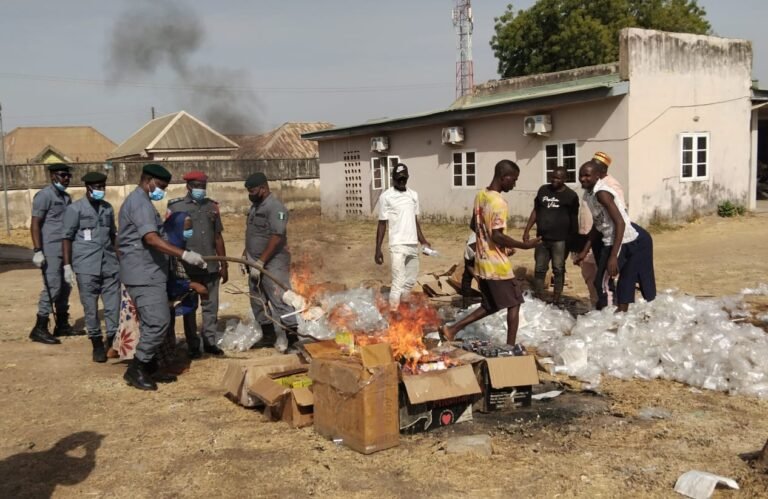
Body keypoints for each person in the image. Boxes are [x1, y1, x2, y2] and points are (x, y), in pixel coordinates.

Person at [117, 163, 207, 391]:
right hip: (143, 273)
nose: (162, 191)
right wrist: (184, 254)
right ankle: (136, 368)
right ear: (148, 181)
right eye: (161, 186)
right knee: (158, 322)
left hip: (150, 272)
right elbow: (151, 239)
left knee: (153, 323)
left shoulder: (144, 202)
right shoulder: (139, 204)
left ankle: (149, 367)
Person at [441, 160, 540, 345]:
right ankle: (510, 347)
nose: (515, 184)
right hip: (496, 265)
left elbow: (475, 225)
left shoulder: (481, 195)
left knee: (491, 304)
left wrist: (496, 243)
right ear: (504, 177)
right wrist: (523, 245)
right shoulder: (498, 202)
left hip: (482, 260)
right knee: (515, 301)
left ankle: (452, 329)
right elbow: (496, 235)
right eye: (514, 180)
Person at [574, 161, 656, 312]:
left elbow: (620, 222)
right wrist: (585, 251)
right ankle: (621, 314)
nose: (583, 179)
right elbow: (598, 225)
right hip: (616, 239)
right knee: (625, 279)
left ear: (598, 176)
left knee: (602, 282)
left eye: (587, 175)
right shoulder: (589, 194)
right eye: (580, 175)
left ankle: (609, 313)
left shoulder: (602, 193)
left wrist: (613, 256)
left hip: (623, 240)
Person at [167, 171, 227, 358]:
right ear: (188, 186)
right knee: (190, 307)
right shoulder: (176, 207)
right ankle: (193, 344)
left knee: (211, 305)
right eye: (197, 185)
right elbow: (169, 239)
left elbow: (218, 236)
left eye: (203, 185)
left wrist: (223, 264)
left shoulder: (212, 207)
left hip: (210, 266)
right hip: (187, 267)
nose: (200, 189)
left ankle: (209, 342)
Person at [61, 171, 120, 362]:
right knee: (91, 308)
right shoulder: (75, 209)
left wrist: (121, 260)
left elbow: (113, 236)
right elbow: (67, 238)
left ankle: (111, 341)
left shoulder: (108, 208)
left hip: (109, 265)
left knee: (113, 306)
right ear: (88, 188)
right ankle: (96, 343)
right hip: (86, 266)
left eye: (103, 187)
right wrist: (67, 265)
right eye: (97, 188)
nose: (101, 190)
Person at [243, 172, 299, 349]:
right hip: (255, 261)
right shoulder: (255, 206)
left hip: (273, 262)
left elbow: (277, 236)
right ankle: (268, 336)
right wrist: (246, 256)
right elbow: (253, 233)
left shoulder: (275, 207)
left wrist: (261, 262)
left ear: (263, 188)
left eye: (252, 190)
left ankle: (293, 340)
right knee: (257, 298)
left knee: (279, 297)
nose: (250, 194)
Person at [374, 163, 431, 310]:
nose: (401, 181)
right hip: (397, 245)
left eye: (404, 179)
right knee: (398, 282)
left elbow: (414, 221)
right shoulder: (386, 197)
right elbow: (382, 224)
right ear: (393, 178)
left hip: (413, 245)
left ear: (407, 178)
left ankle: (404, 311)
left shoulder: (413, 195)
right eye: (398, 179)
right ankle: (393, 313)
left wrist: (423, 241)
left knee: (410, 281)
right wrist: (378, 249)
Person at [29, 163, 75, 344]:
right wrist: (37, 250)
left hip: (64, 248)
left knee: (66, 286)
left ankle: (62, 324)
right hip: (50, 249)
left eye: (68, 176)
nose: (66, 179)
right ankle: (39, 327)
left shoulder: (66, 197)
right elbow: (35, 224)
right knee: (52, 286)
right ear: (52, 176)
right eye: (62, 175)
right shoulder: (44, 196)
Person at [522, 167, 579, 304]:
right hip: (541, 238)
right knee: (540, 269)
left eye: (558, 178)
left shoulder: (571, 196)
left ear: (565, 179)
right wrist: (527, 230)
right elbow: (536, 210)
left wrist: (573, 242)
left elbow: (574, 220)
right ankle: (540, 298)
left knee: (558, 269)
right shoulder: (543, 190)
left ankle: (556, 299)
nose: (554, 180)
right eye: (552, 177)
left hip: (560, 240)